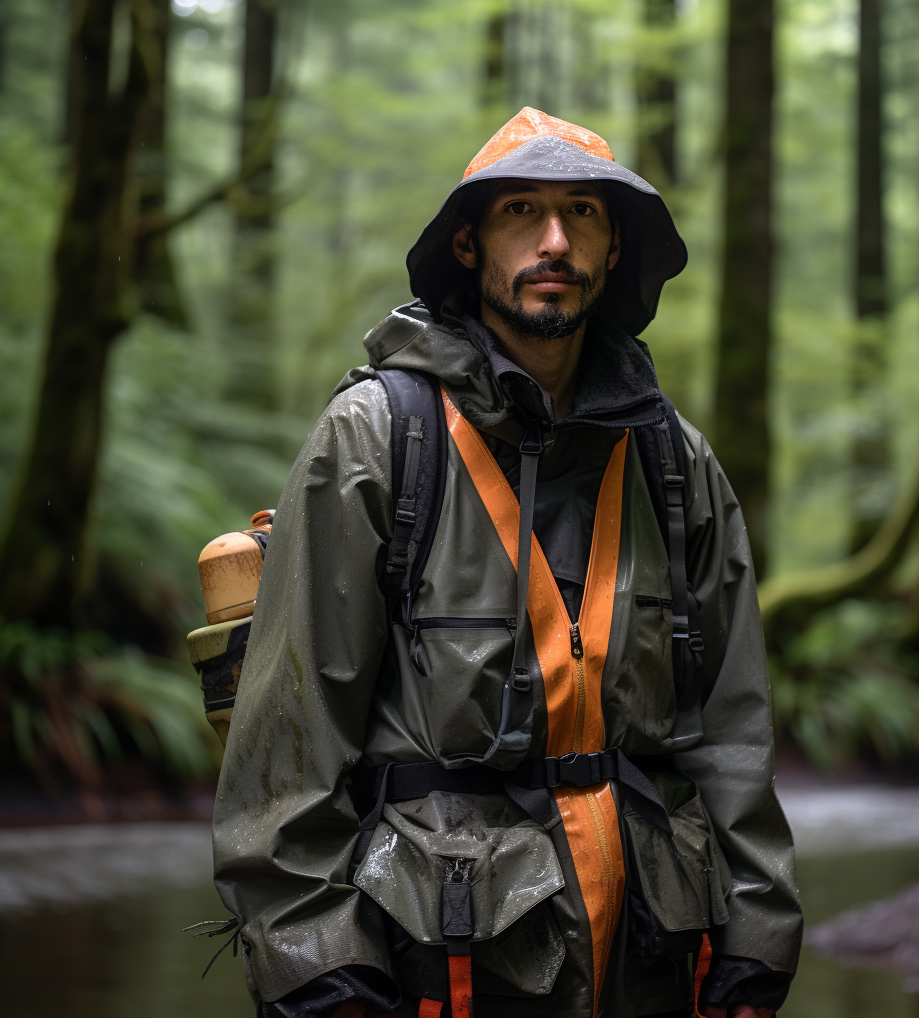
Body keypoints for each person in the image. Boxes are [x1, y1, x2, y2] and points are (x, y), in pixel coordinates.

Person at [212, 107, 802, 1018]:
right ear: (467, 243)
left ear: (614, 252)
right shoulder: (376, 439)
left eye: (584, 214)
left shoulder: (673, 462)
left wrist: (759, 939)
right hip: (438, 976)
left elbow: (732, 725)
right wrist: (322, 975)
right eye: (521, 209)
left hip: (651, 966)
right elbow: (287, 760)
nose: (555, 239)